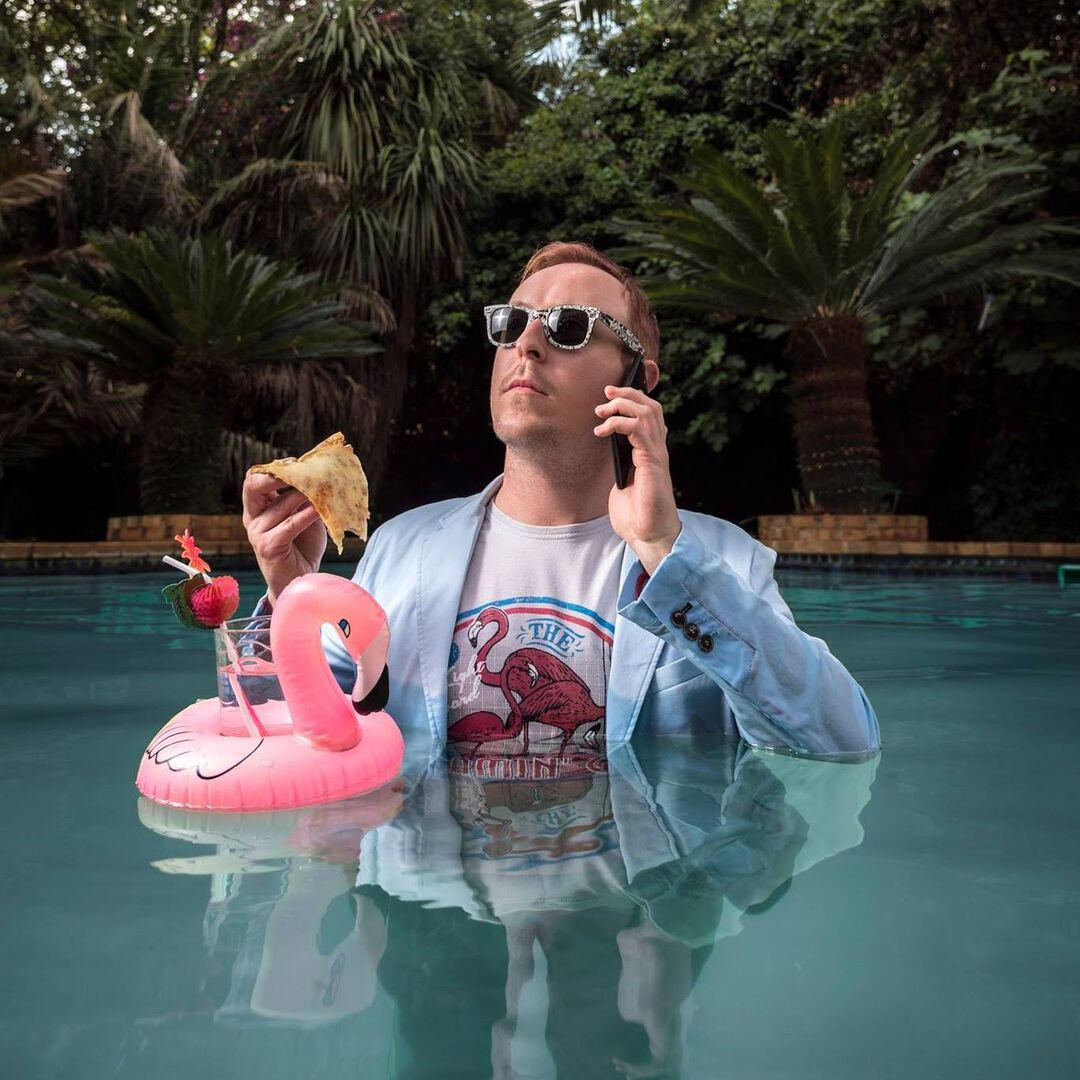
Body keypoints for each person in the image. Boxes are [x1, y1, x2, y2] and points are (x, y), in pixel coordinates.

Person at [241, 241, 880, 757]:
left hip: (635, 905)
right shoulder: (400, 549)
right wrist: (291, 599)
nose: (528, 343)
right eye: (511, 322)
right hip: (439, 908)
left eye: (572, 328)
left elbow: (844, 741)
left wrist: (666, 554)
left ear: (636, 379)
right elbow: (288, 745)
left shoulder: (722, 563)